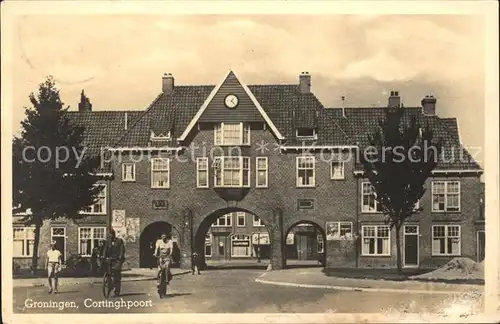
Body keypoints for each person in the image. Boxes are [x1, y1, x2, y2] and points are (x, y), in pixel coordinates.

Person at [102, 229, 125, 296]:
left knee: (116, 273)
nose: (110, 236)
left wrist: (120, 256)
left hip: (117, 259)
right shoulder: (108, 242)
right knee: (108, 272)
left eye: (111, 235)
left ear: (113, 234)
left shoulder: (119, 241)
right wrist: (104, 256)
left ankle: (116, 289)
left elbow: (122, 250)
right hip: (110, 259)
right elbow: (105, 250)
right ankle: (109, 284)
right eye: (109, 235)